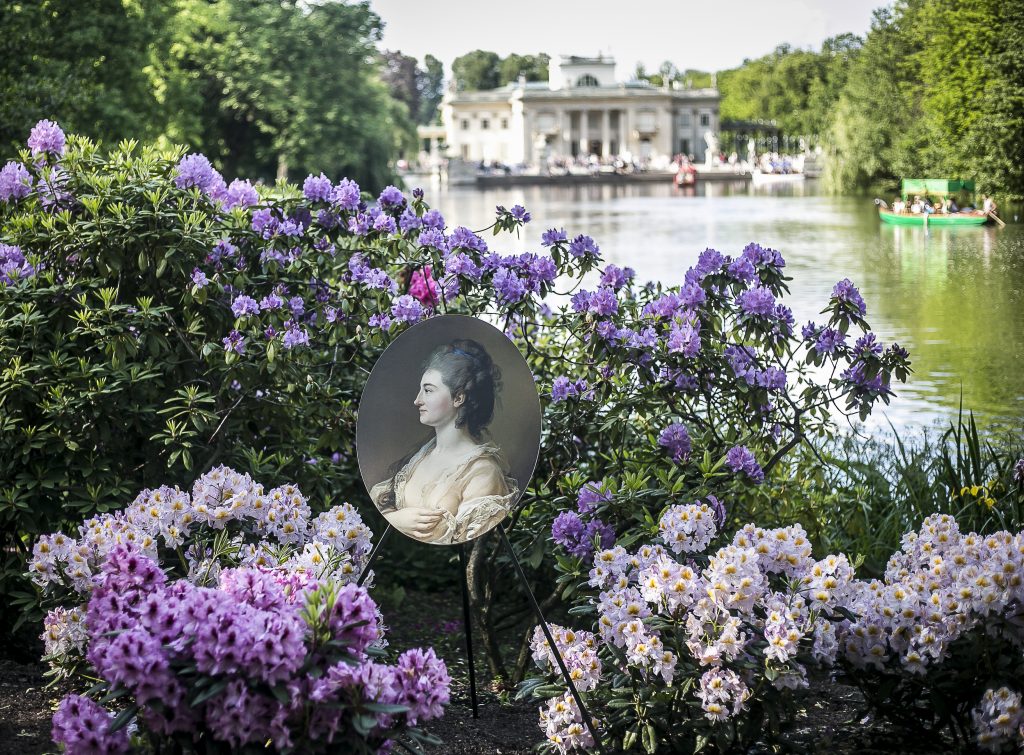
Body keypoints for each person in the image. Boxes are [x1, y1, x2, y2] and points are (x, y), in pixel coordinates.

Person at [370, 339, 519, 544]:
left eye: (428, 390)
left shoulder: (483, 471)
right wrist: (395, 519)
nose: (417, 400)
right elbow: (385, 505)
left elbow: (466, 539)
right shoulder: (421, 456)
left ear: (458, 398)